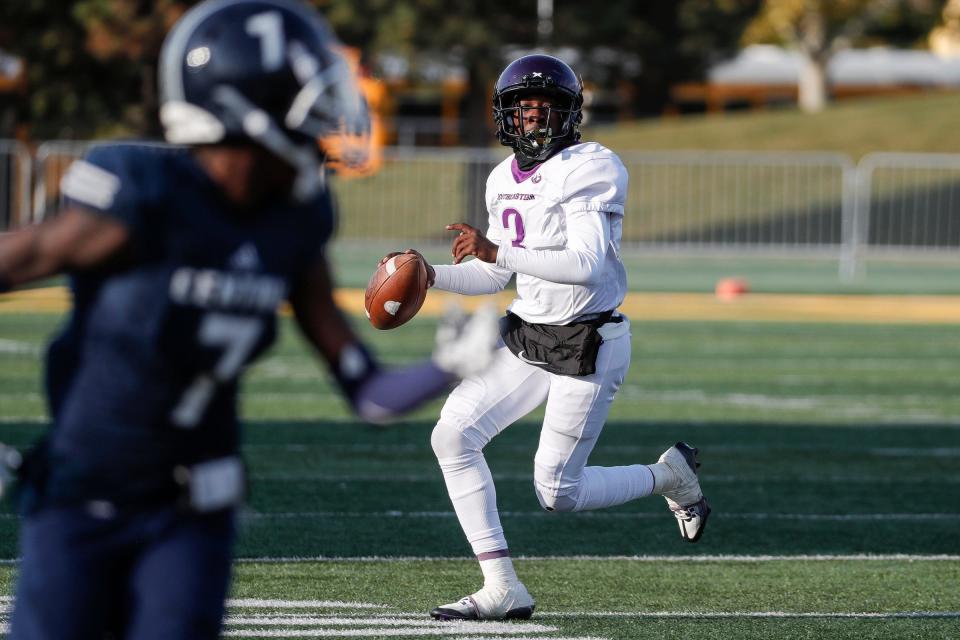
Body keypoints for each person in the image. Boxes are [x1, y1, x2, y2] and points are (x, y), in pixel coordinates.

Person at [0, 1, 497, 638]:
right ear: (245, 100)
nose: (325, 109)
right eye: (302, 89)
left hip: (192, 515)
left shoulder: (294, 218)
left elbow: (366, 393)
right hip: (78, 501)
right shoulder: (142, 195)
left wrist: (444, 368)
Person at [384, 54, 711, 622]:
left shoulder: (593, 166)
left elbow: (586, 263)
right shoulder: (500, 178)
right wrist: (435, 275)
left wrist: (496, 252)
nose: (533, 121)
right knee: (453, 437)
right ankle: (501, 586)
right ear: (505, 115)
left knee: (559, 493)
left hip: (588, 342)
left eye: (545, 109)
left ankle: (669, 476)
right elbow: (494, 274)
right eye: (523, 110)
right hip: (529, 333)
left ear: (569, 114)